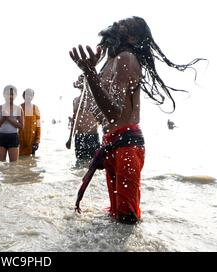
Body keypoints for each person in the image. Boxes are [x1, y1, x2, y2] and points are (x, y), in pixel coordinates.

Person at [69, 16, 204, 224]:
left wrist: (90, 73)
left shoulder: (126, 57)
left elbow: (113, 113)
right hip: (113, 144)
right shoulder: (109, 63)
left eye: (123, 26)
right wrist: (90, 77)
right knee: (115, 217)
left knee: (126, 219)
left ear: (132, 38)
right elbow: (100, 115)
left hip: (127, 147)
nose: (116, 26)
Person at [65, 75, 100, 164]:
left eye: (83, 80)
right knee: (79, 163)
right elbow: (74, 120)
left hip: (92, 136)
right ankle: (78, 178)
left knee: (93, 164)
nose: (81, 82)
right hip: (79, 137)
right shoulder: (75, 100)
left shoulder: (94, 99)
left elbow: (101, 119)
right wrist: (70, 139)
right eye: (80, 80)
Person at [0, 85, 24, 162]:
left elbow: (21, 126)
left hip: (13, 137)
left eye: (12, 94)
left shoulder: (19, 109)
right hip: (1, 137)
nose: (10, 96)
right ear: (4, 94)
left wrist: (8, 117)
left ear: (16, 95)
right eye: (8, 94)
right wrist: (3, 118)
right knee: (0, 165)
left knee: (13, 166)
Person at [18, 88, 41, 156]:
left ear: (33, 96)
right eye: (27, 95)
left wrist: (37, 141)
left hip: (32, 141)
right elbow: (16, 125)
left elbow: (38, 126)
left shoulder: (35, 108)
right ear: (23, 96)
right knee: (20, 161)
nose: (29, 97)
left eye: (31, 95)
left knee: (31, 161)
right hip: (21, 140)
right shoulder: (19, 107)